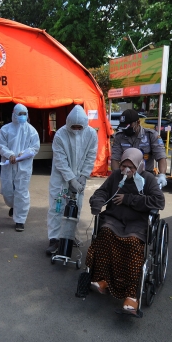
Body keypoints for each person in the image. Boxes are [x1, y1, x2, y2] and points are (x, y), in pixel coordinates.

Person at [87, 148, 165, 314]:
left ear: (139, 166)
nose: (126, 170)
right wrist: (97, 201)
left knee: (131, 243)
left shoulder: (148, 179)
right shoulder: (116, 176)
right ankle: (103, 280)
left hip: (137, 223)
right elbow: (102, 191)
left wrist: (129, 199)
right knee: (105, 234)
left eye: (131, 167)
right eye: (124, 166)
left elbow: (159, 202)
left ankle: (131, 296)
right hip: (115, 219)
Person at [46, 105, 98, 255]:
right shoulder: (61, 135)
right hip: (60, 178)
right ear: (68, 123)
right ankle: (54, 239)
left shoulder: (91, 134)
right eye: (73, 127)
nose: (76, 130)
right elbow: (60, 161)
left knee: (76, 206)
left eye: (79, 127)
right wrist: (71, 179)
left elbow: (90, 156)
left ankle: (69, 236)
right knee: (57, 208)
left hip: (80, 176)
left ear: (84, 124)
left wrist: (83, 176)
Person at [0, 103, 40, 232]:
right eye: (19, 114)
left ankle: (20, 220)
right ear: (13, 114)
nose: (22, 116)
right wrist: (9, 155)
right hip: (8, 166)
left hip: (24, 166)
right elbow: (0, 145)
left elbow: (35, 147)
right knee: (7, 192)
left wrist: (24, 154)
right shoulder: (5, 129)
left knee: (21, 193)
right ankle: (14, 206)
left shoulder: (31, 130)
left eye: (24, 114)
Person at [111, 109, 168, 188]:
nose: (126, 130)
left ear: (138, 123)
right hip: (126, 176)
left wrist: (162, 175)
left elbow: (161, 156)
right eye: (124, 127)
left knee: (149, 199)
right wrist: (117, 177)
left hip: (146, 176)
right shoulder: (119, 137)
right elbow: (115, 159)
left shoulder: (151, 135)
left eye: (129, 126)